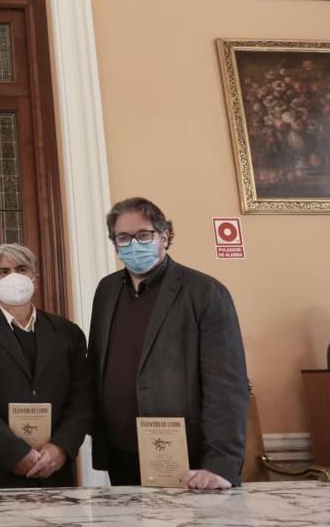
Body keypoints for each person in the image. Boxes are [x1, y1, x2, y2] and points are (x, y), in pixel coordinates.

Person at [86, 197, 249, 489]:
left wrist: (220, 463)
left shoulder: (205, 292)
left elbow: (227, 386)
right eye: (123, 237)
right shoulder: (106, 290)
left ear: (164, 236)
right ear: (115, 244)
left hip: (186, 459)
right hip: (119, 453)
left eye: (143, 235)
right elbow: (97, 363)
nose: (133, 244)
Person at [0, 244, 91, 488]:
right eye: (4, 272)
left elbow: (82, 398)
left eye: (22, 269)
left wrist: (61, 447)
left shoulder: (68, 333)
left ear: (34, 278)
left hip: (54, 472)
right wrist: (15, 454)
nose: (13, 276)